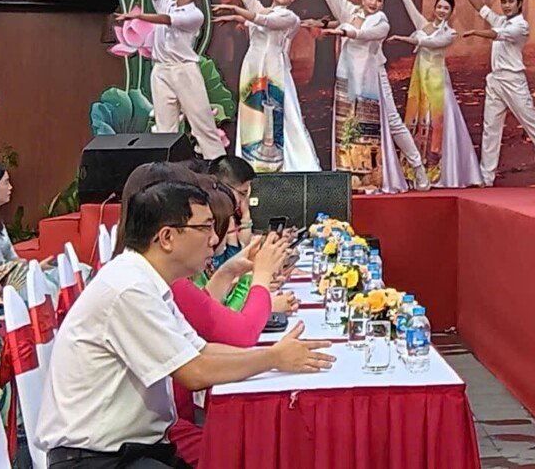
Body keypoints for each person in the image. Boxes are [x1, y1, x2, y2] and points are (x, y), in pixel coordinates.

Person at [35, 179, 333, 468]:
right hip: (97, 458)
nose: (215, 238)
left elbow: (201, 350)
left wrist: (277, 356)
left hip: (140, 448)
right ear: (166, 238)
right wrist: (271, 357)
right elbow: (195, 372)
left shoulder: (149, 281)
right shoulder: (128, 288)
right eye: (204, 227)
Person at [312, 0, 428, 193]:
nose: (374, 3)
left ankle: (418, 167)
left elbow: (366, 35)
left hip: (373, 78)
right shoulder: (349, 12)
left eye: (379, 0)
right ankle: (353, 176)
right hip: (348, 79)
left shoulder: (381, 21)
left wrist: (345, 31)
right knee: (348, 125)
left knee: (393, 122)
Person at [214, 0, 320, 174]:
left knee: (284, 117)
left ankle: (293, 166)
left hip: (275, 70)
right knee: (253, 114)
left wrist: (234, 12)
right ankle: (253, 164)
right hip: (253, 67)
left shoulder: (289, 18)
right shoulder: (262, 9)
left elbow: (263, 20)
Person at [116, 0, 225, 160]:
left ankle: (220, 169)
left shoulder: (195, 14)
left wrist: (137, 17)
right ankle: (167, 173)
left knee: (201, 124)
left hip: (184, 70)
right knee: (165, 128)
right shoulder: (167, 4)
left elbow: (166, 20)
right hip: (161, 69)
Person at [391, 0, 486, 189]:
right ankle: (417, 170)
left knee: (439, 123)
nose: (442, 10)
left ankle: (446, 173)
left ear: (451, 12)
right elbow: (406, 1)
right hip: (420, 81)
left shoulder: (449, 33)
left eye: (446, 8)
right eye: (439, 6)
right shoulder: (422, 24)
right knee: (417, 121)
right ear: (434, 8)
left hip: (438, 83)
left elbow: (432, 43)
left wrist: (407, 40)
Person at [453, 0, 535, 186]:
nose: (506, 5)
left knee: (532, 124)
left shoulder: (521, 26)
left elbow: (497, 35)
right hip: (496, 80)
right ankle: (486, 177)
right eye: (504, 1)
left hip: (513, 80)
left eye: (510, 1)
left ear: (519, 3)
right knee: (490, 128)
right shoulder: (501, 20)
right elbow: (481, 7)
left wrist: (476, 32)